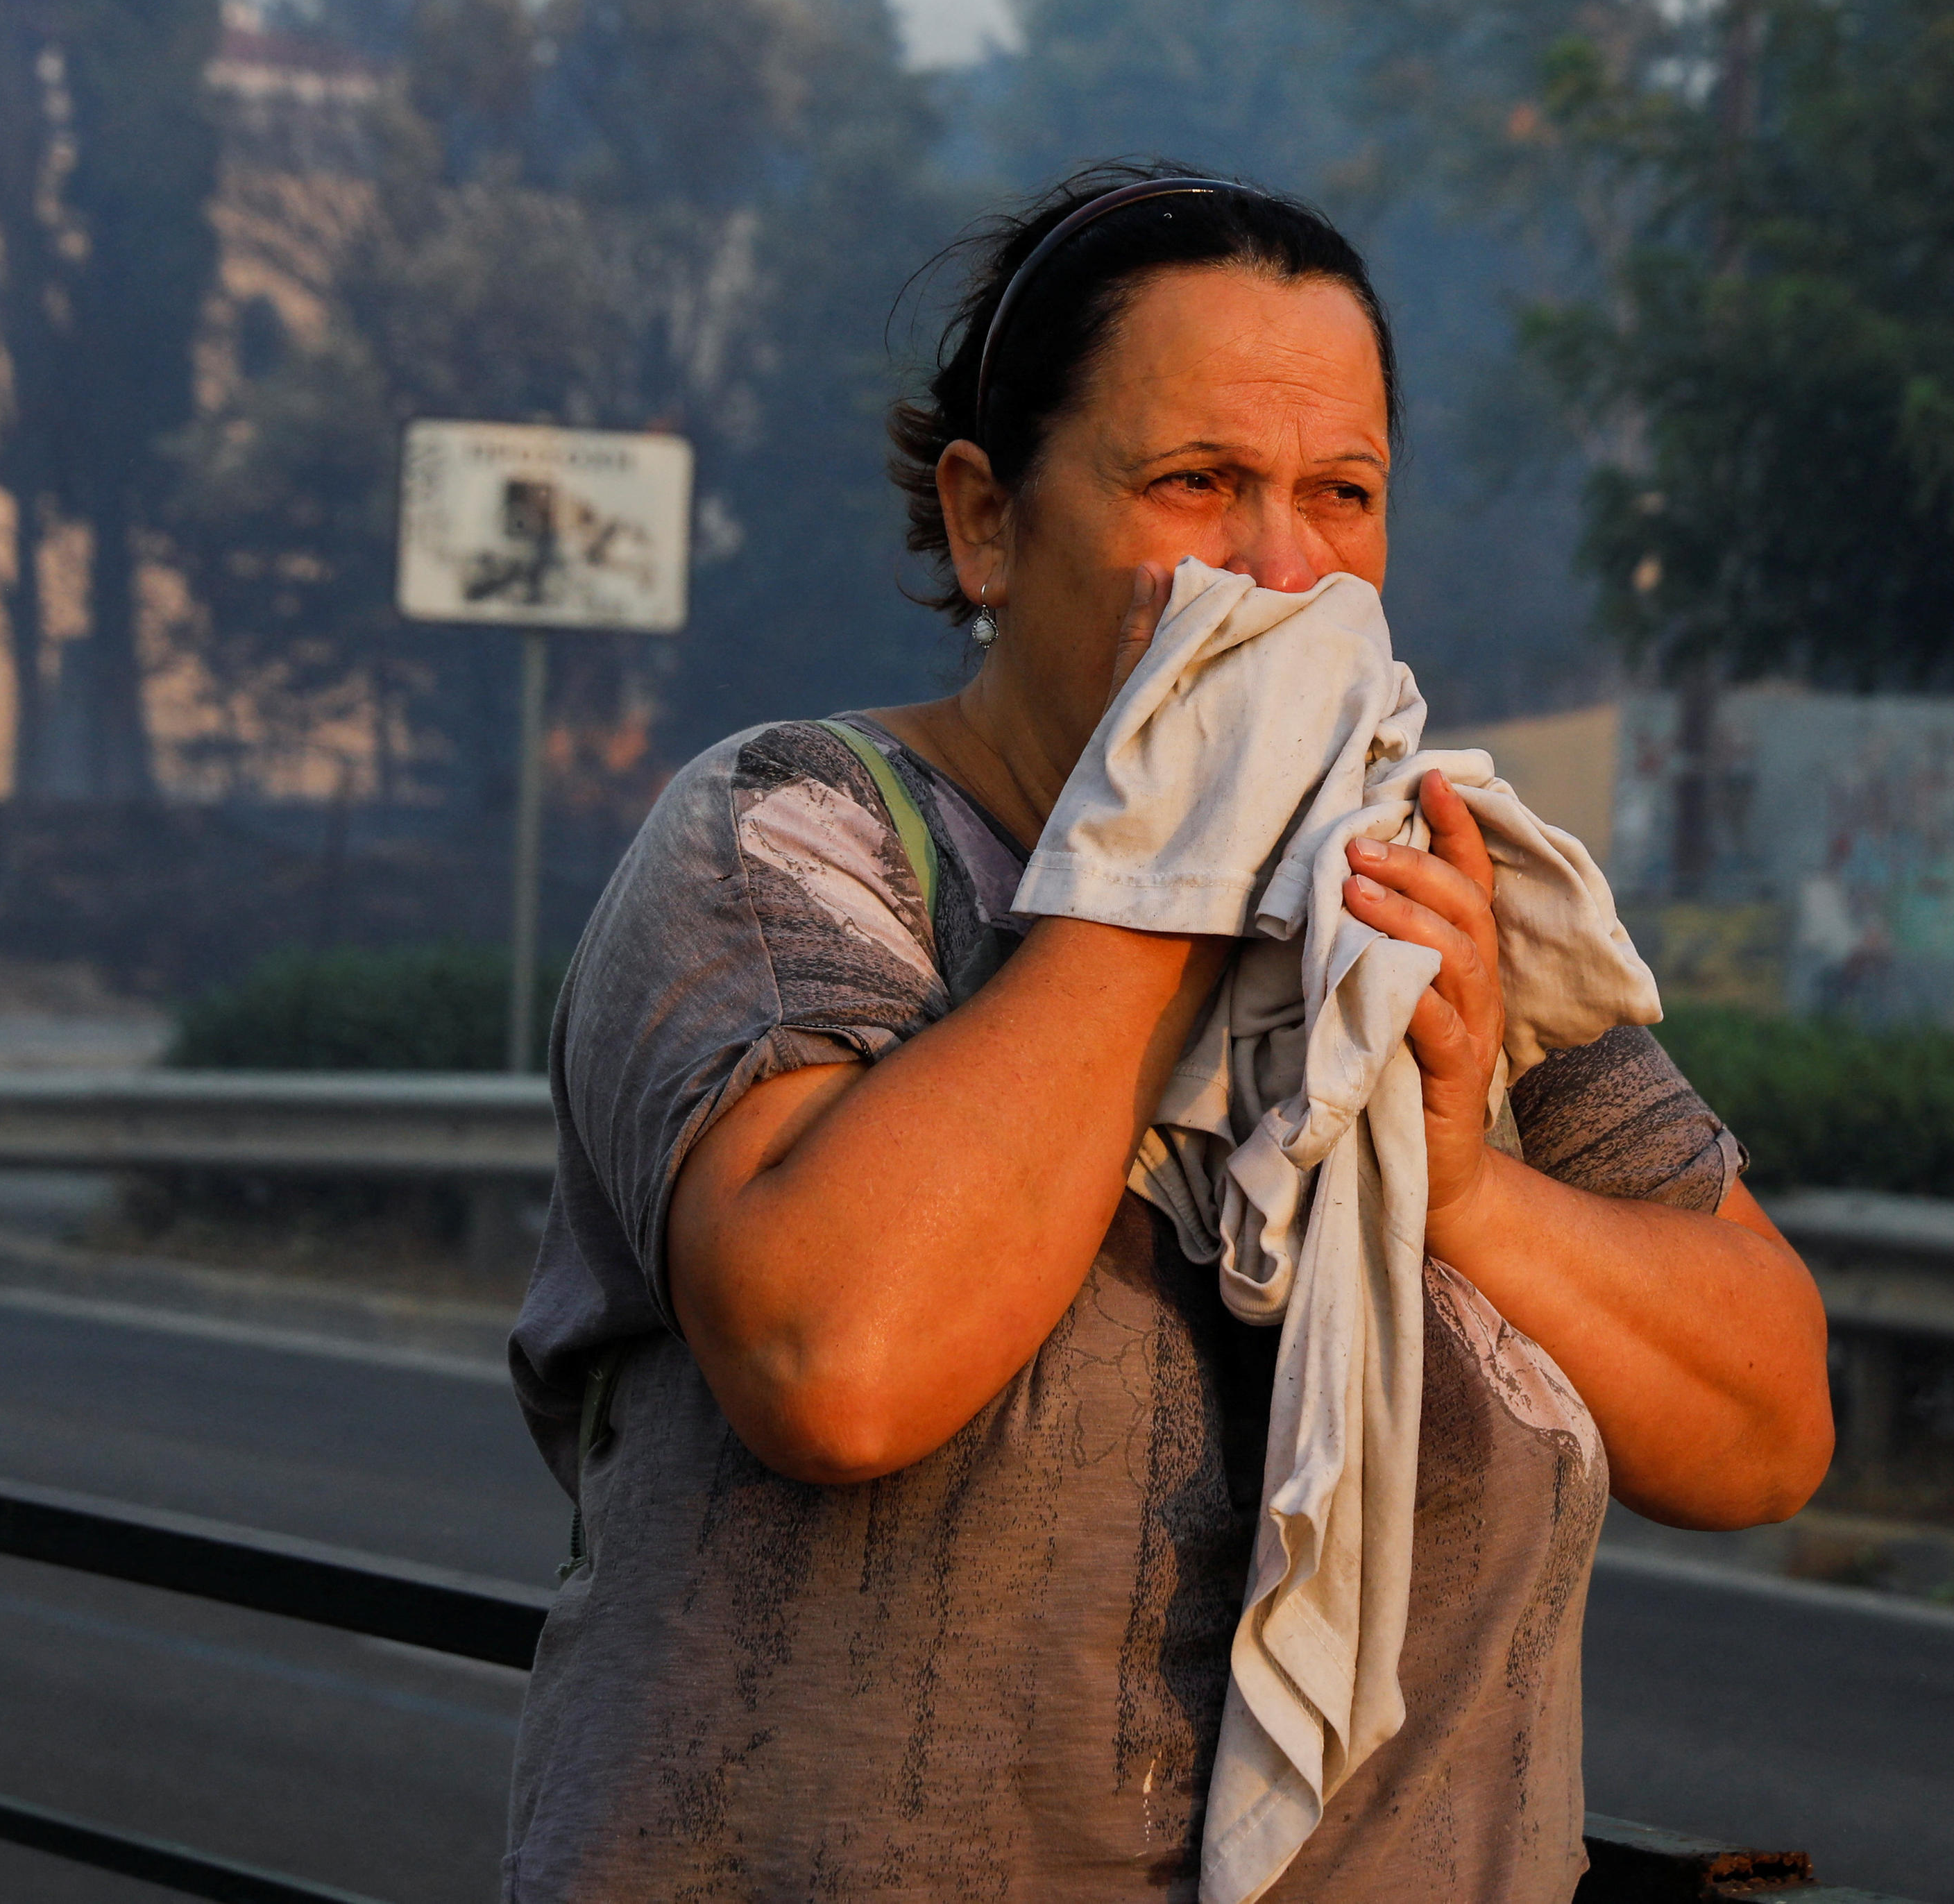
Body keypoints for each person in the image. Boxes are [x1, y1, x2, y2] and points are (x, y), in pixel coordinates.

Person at [504, 166, 1833, 1903]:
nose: (1280, 574)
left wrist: (1472, 1194)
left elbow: (1766, 1428)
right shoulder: (793, 839)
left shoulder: (1431, 885)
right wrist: (1167, 871)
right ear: (987, 524)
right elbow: (836, 1364)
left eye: (1338, 496)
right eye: (1197, 485)